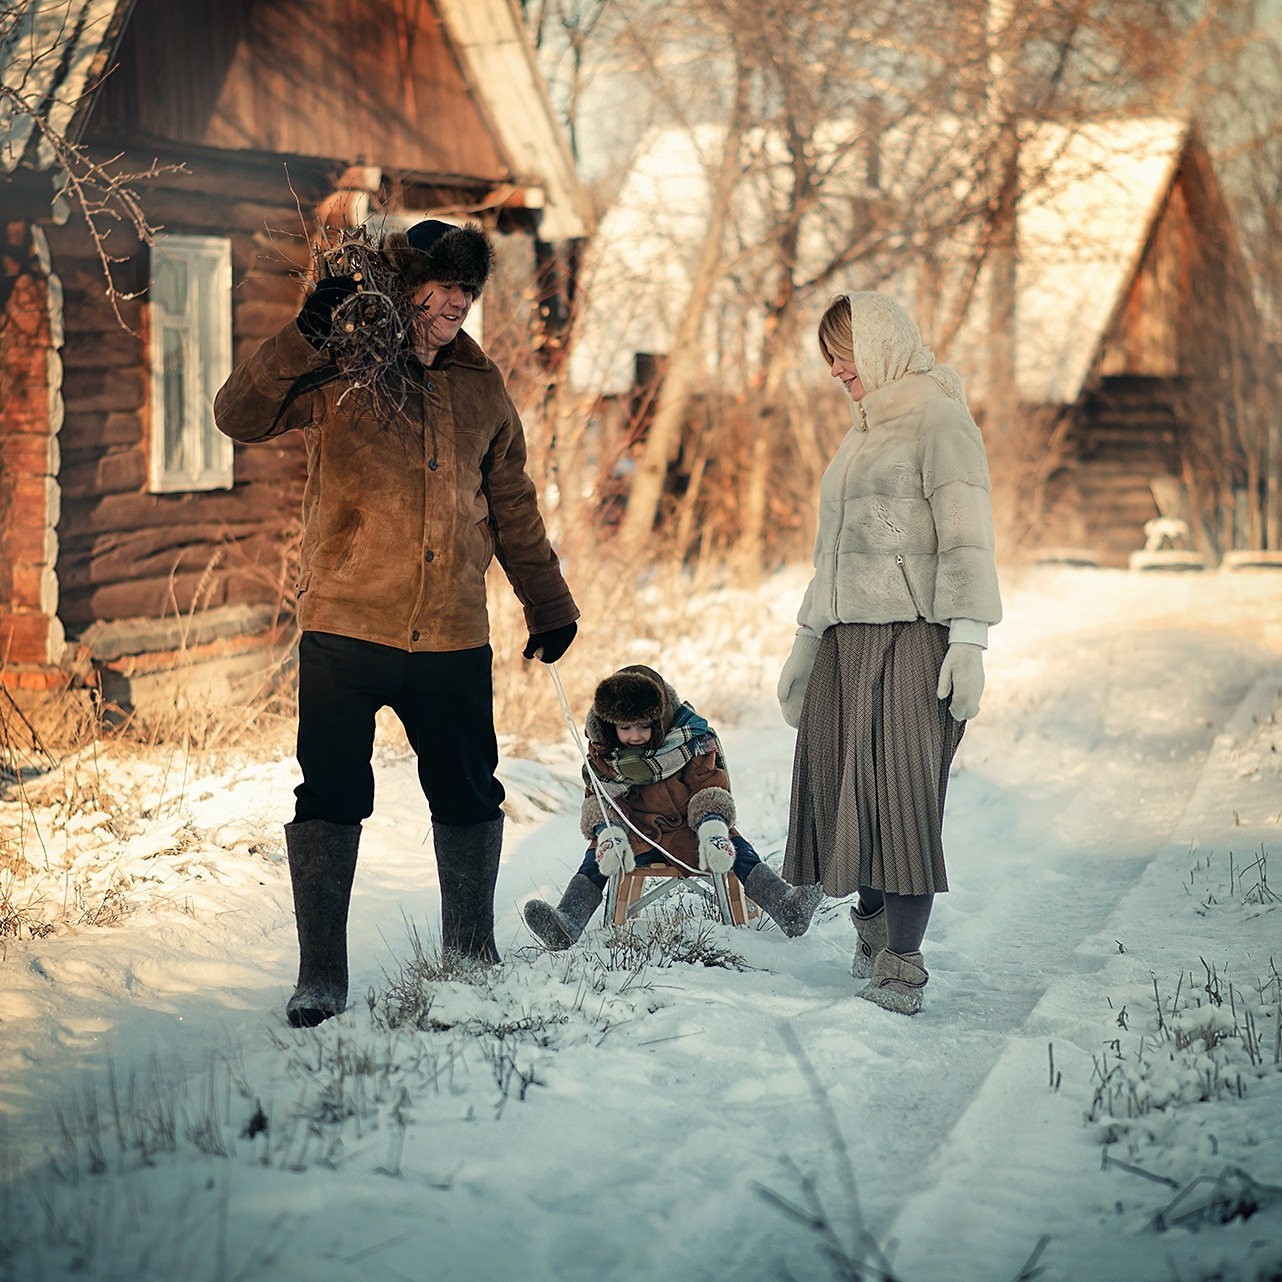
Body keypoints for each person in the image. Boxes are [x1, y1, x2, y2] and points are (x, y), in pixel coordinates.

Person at [215, 219, 579, 1027]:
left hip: (452, 630)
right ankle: (321, 977)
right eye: (443, 285)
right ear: (405, 285)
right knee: (332, 793)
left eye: (468, 288)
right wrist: (302, 337)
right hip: (347, 623)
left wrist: (547, 602)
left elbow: (512, 503)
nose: (457, 300)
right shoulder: (344, 364)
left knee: (468, 791)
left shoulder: (483, 385)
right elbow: (238, 415)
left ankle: (470, 952)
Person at [778, 292, 1001, 1015]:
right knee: (844, 790)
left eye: (844, 352)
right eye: (830, 358)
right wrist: (807, 641)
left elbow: (968, 537)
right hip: (847, 639)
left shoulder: (939, 418)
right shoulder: (858, 435)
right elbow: (829, 557)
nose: (837, 369)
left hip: (913, 634)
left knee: (901, 796)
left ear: (879, 345)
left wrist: (968, 638)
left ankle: (902, 963)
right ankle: (872, 935)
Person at [523, 665, 825, 947]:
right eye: (625, 727)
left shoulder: (689, 742)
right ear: (610, 723)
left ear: (661, 719)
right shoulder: (604, 754)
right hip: (635, 837)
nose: (635, 736)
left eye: (644, 726)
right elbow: (600, 800)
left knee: (738, 851)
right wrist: (608, 832)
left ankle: (786, 906)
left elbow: (709, 786)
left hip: (690, 831)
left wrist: (712, 827)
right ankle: (568, 921)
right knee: (596, 860)